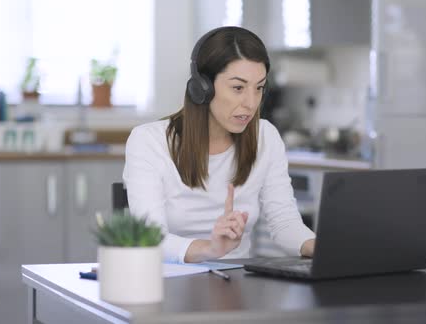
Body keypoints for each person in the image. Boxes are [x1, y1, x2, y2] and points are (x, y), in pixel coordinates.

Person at [123, 26, 316, 263]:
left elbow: (284, 221)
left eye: (259, 88)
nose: (251, 103)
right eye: (238, 88)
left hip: (237, 283)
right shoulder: (149, 142)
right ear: (202, 87)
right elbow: (150, 238)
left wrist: (319, 247)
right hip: (168, 284)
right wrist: (210, 249)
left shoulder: (265, 136)